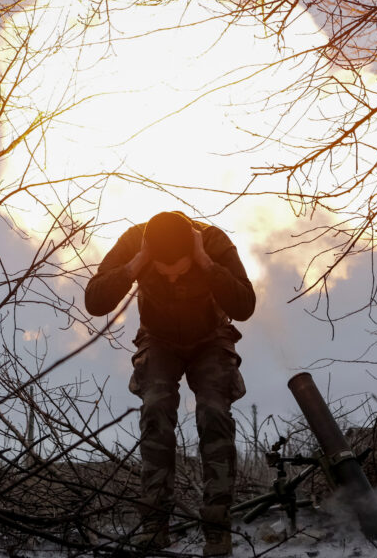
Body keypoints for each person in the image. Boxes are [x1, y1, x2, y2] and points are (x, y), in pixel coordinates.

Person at [85, 211, 256, 556]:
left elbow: (245, 305)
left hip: (210, 338)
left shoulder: (213, 242)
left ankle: (217, 531)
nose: (175, 278)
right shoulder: (135, 242)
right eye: (165, 272)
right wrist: (134, 266)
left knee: (213, 414)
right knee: (156, 411)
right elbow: (94, 301)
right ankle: (154, 527)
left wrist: (206, 264)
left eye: (182, 269)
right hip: (159, 340)